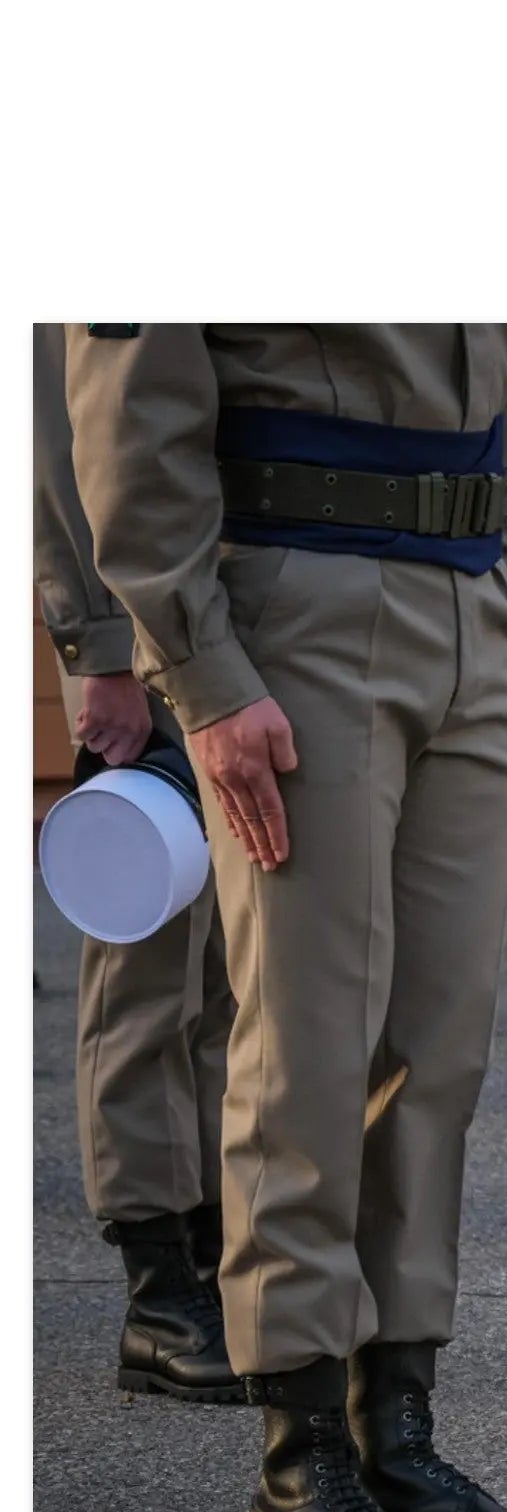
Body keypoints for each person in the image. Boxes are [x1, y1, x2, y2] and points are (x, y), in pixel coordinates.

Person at [67, 323, 507, 1512]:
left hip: (465, 605)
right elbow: (129, 406)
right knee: (310, 1036)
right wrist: (198, 664)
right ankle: (298, 1459)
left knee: (439, 1048)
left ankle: (395, 1433)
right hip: (297, 604)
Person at [32, 322, 236, 1402]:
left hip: (232, 626)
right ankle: (158, 1289)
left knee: (223, 978)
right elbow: (63, 436)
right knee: (149, 964)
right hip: (139, 641)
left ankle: (206, 1239)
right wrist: (93, 648)